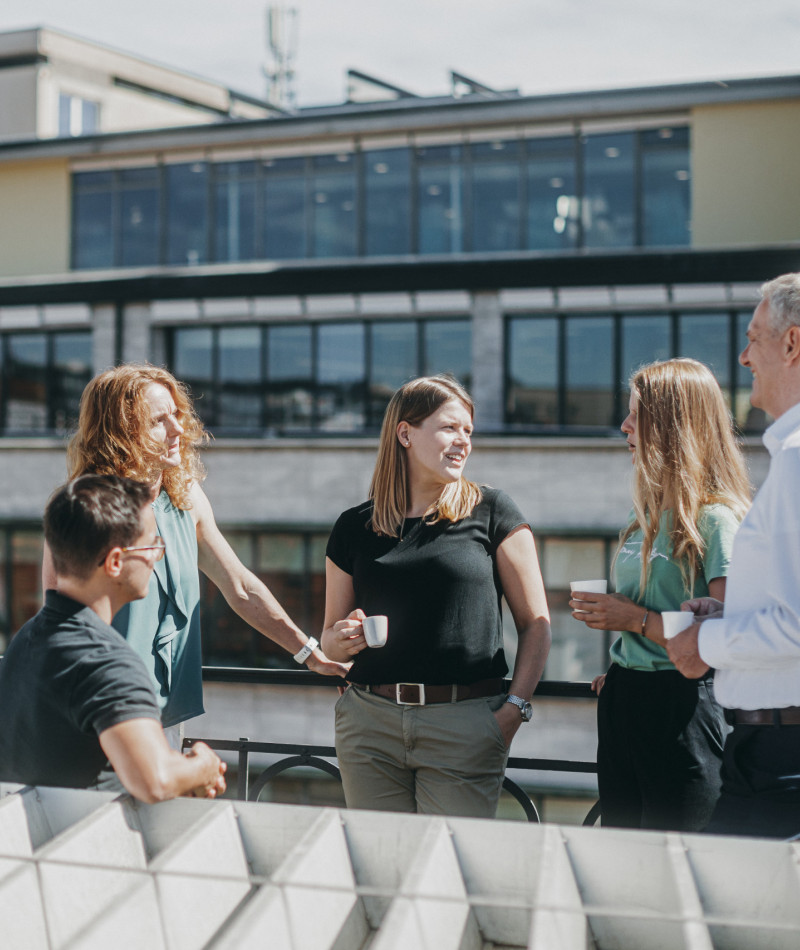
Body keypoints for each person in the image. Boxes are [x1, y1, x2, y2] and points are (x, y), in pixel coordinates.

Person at [42, 364, 345, 741]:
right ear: (120, 432)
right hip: (101, 712)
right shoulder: (85, 507)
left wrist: (308, 652)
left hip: (166, 713)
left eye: (177, 414)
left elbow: (240, 587)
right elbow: (59, 619)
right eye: (158, 420)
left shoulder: (184, 497)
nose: (178, 429)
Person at [321, 374, 551, 817]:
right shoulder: (353, 527)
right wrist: (341, 639)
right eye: (449, 428)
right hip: (369, 722)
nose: (463, 441)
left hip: (464, 725)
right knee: (379, 866)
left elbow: (536, 625)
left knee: (448, 870)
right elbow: (330, 637)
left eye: (468, 430)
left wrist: (513, 711)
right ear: (405, 433)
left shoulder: (494, 511)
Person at [571, 359, 750, 831]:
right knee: (624, 854)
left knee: (678, 860)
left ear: (673, 427)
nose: (624, 426)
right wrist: (627, 666)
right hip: (628, 701)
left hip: (684, 707)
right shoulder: (643, 520)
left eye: (637, 415)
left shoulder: (716, 520)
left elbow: (730, 633)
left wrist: (634, 622)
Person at [669, 274, 800, 838]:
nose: (744, 357)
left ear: (792, 345)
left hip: (780, 759)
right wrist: (726, 619)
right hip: (765, 754)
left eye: (754, 339)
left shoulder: (797, 461)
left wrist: (704, 643)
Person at [0, 475, 226, 801]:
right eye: (152, 545)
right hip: (84, 844)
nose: (156, 557)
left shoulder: (28, 638)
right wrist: (203, 766)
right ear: (116, 562)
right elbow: (155, 780)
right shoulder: (105, 661)